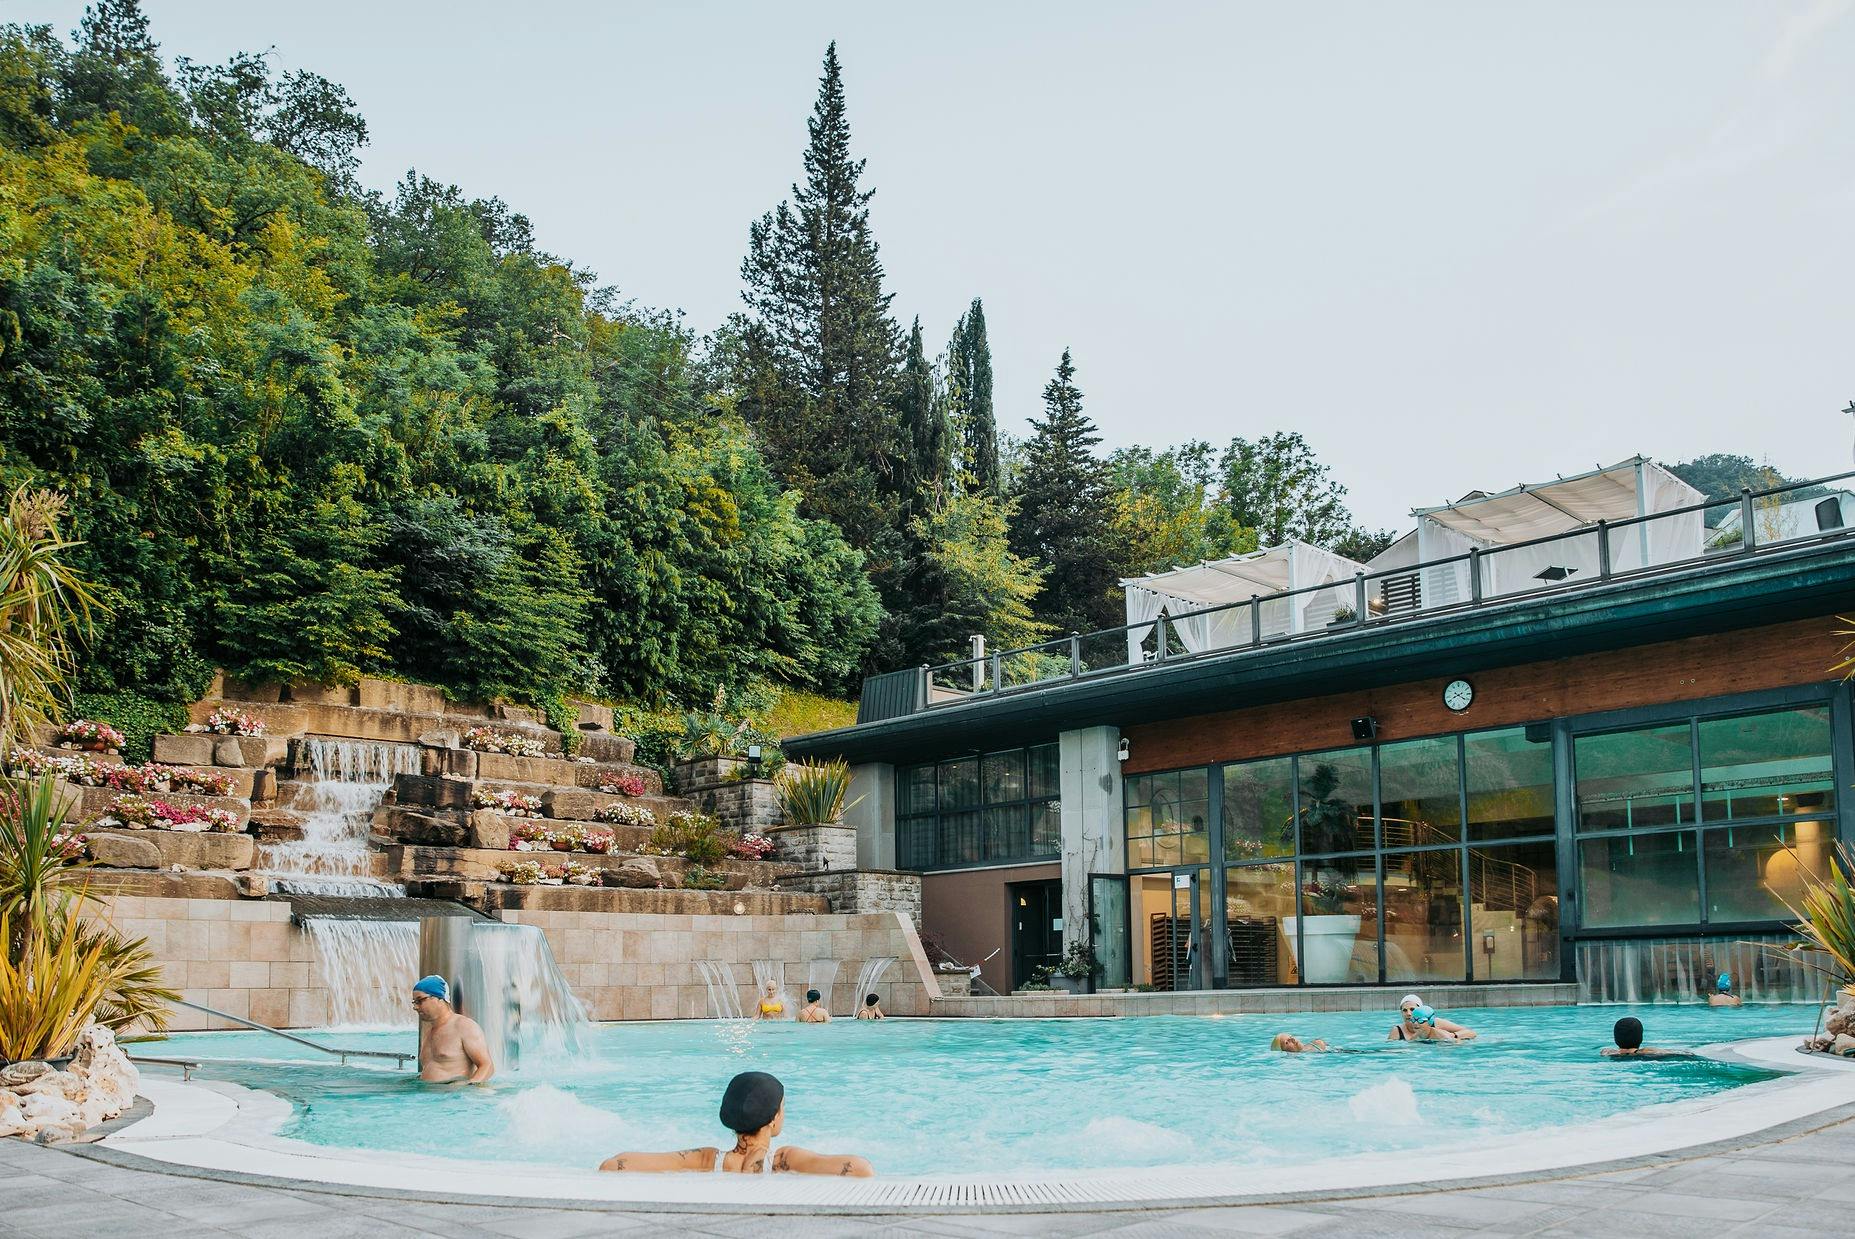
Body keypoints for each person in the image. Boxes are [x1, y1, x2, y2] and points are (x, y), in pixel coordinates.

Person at [599, 1070, 874, 1177]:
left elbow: (614, 1164)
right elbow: (861, 1169)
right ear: (774, 1119)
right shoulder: (784, 1159)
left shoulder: (706, 1159)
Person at [412, 975, 494, 1084]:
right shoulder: (428, 1032)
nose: (415, 1007)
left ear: (439, 998)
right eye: (414, 1002)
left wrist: (469, 1084)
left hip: (454, 1096)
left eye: (420, 1000)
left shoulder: (464, 1026)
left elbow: (487, 1066)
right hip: (429, 1096)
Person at [1389, 994, 1475, 1041]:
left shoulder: (1436, 1023)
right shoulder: (1397, 1031)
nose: (1408, 1013)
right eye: (1404, 1010)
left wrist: (1452, 1036)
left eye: (1412, 1009)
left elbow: (1470, 1033)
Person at [1603, 1015, 1693, 1059]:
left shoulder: (1607, 1052)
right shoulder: (1647, 1051)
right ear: (1640, 1037)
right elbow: (1682, 1054)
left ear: (1615, 1038)